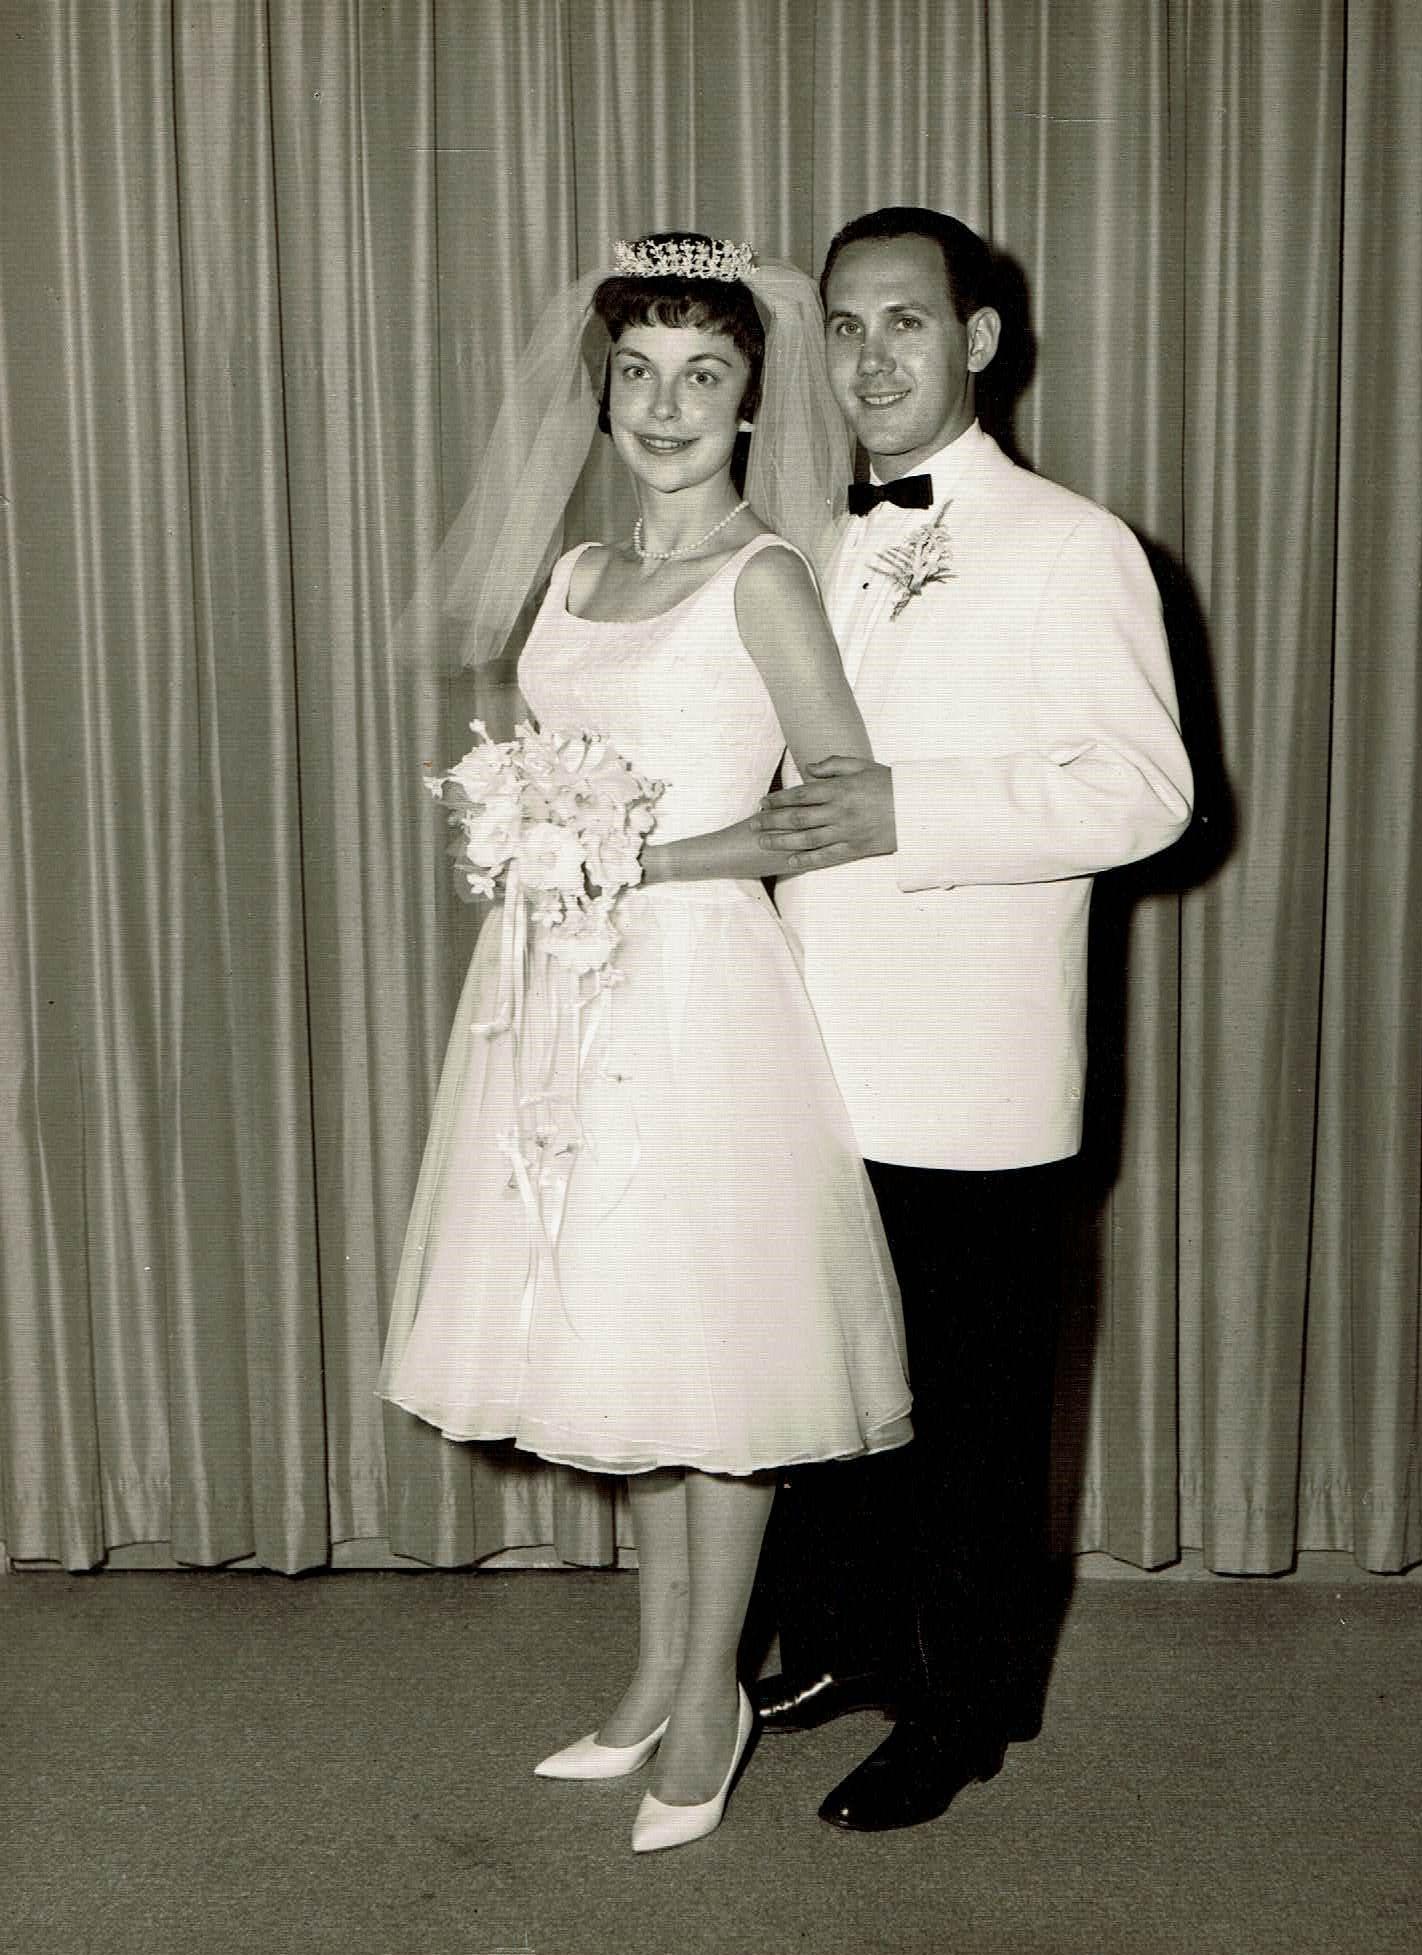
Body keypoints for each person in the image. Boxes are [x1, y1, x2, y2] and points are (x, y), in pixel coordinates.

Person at [377, 233, 912, 1854]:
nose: (666, 408)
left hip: (694, 993)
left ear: (751, 403)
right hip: (555, 989)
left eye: (704, 375)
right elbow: (547, 763)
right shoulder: (573, 577)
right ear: (600, 394)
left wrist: (631, 858)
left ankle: (706, 1707)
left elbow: (841, 804)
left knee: (710, 1364)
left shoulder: (764, 579)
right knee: (622, 1340)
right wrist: (525, 835)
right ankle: (656, 1681)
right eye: (638, 375)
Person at [746, 206, 1195, 1832]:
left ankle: (964, 1708)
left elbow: (1142, 793)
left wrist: (907, 812)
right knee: (833, 1391)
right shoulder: (804, 541)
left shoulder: (1075, 547)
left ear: (978, 341)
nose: (870, 357)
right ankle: (848, 1646)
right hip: (808, 1050)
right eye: (845, 326)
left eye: (905, 322)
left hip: (976, 1070)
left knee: (974, 1422)